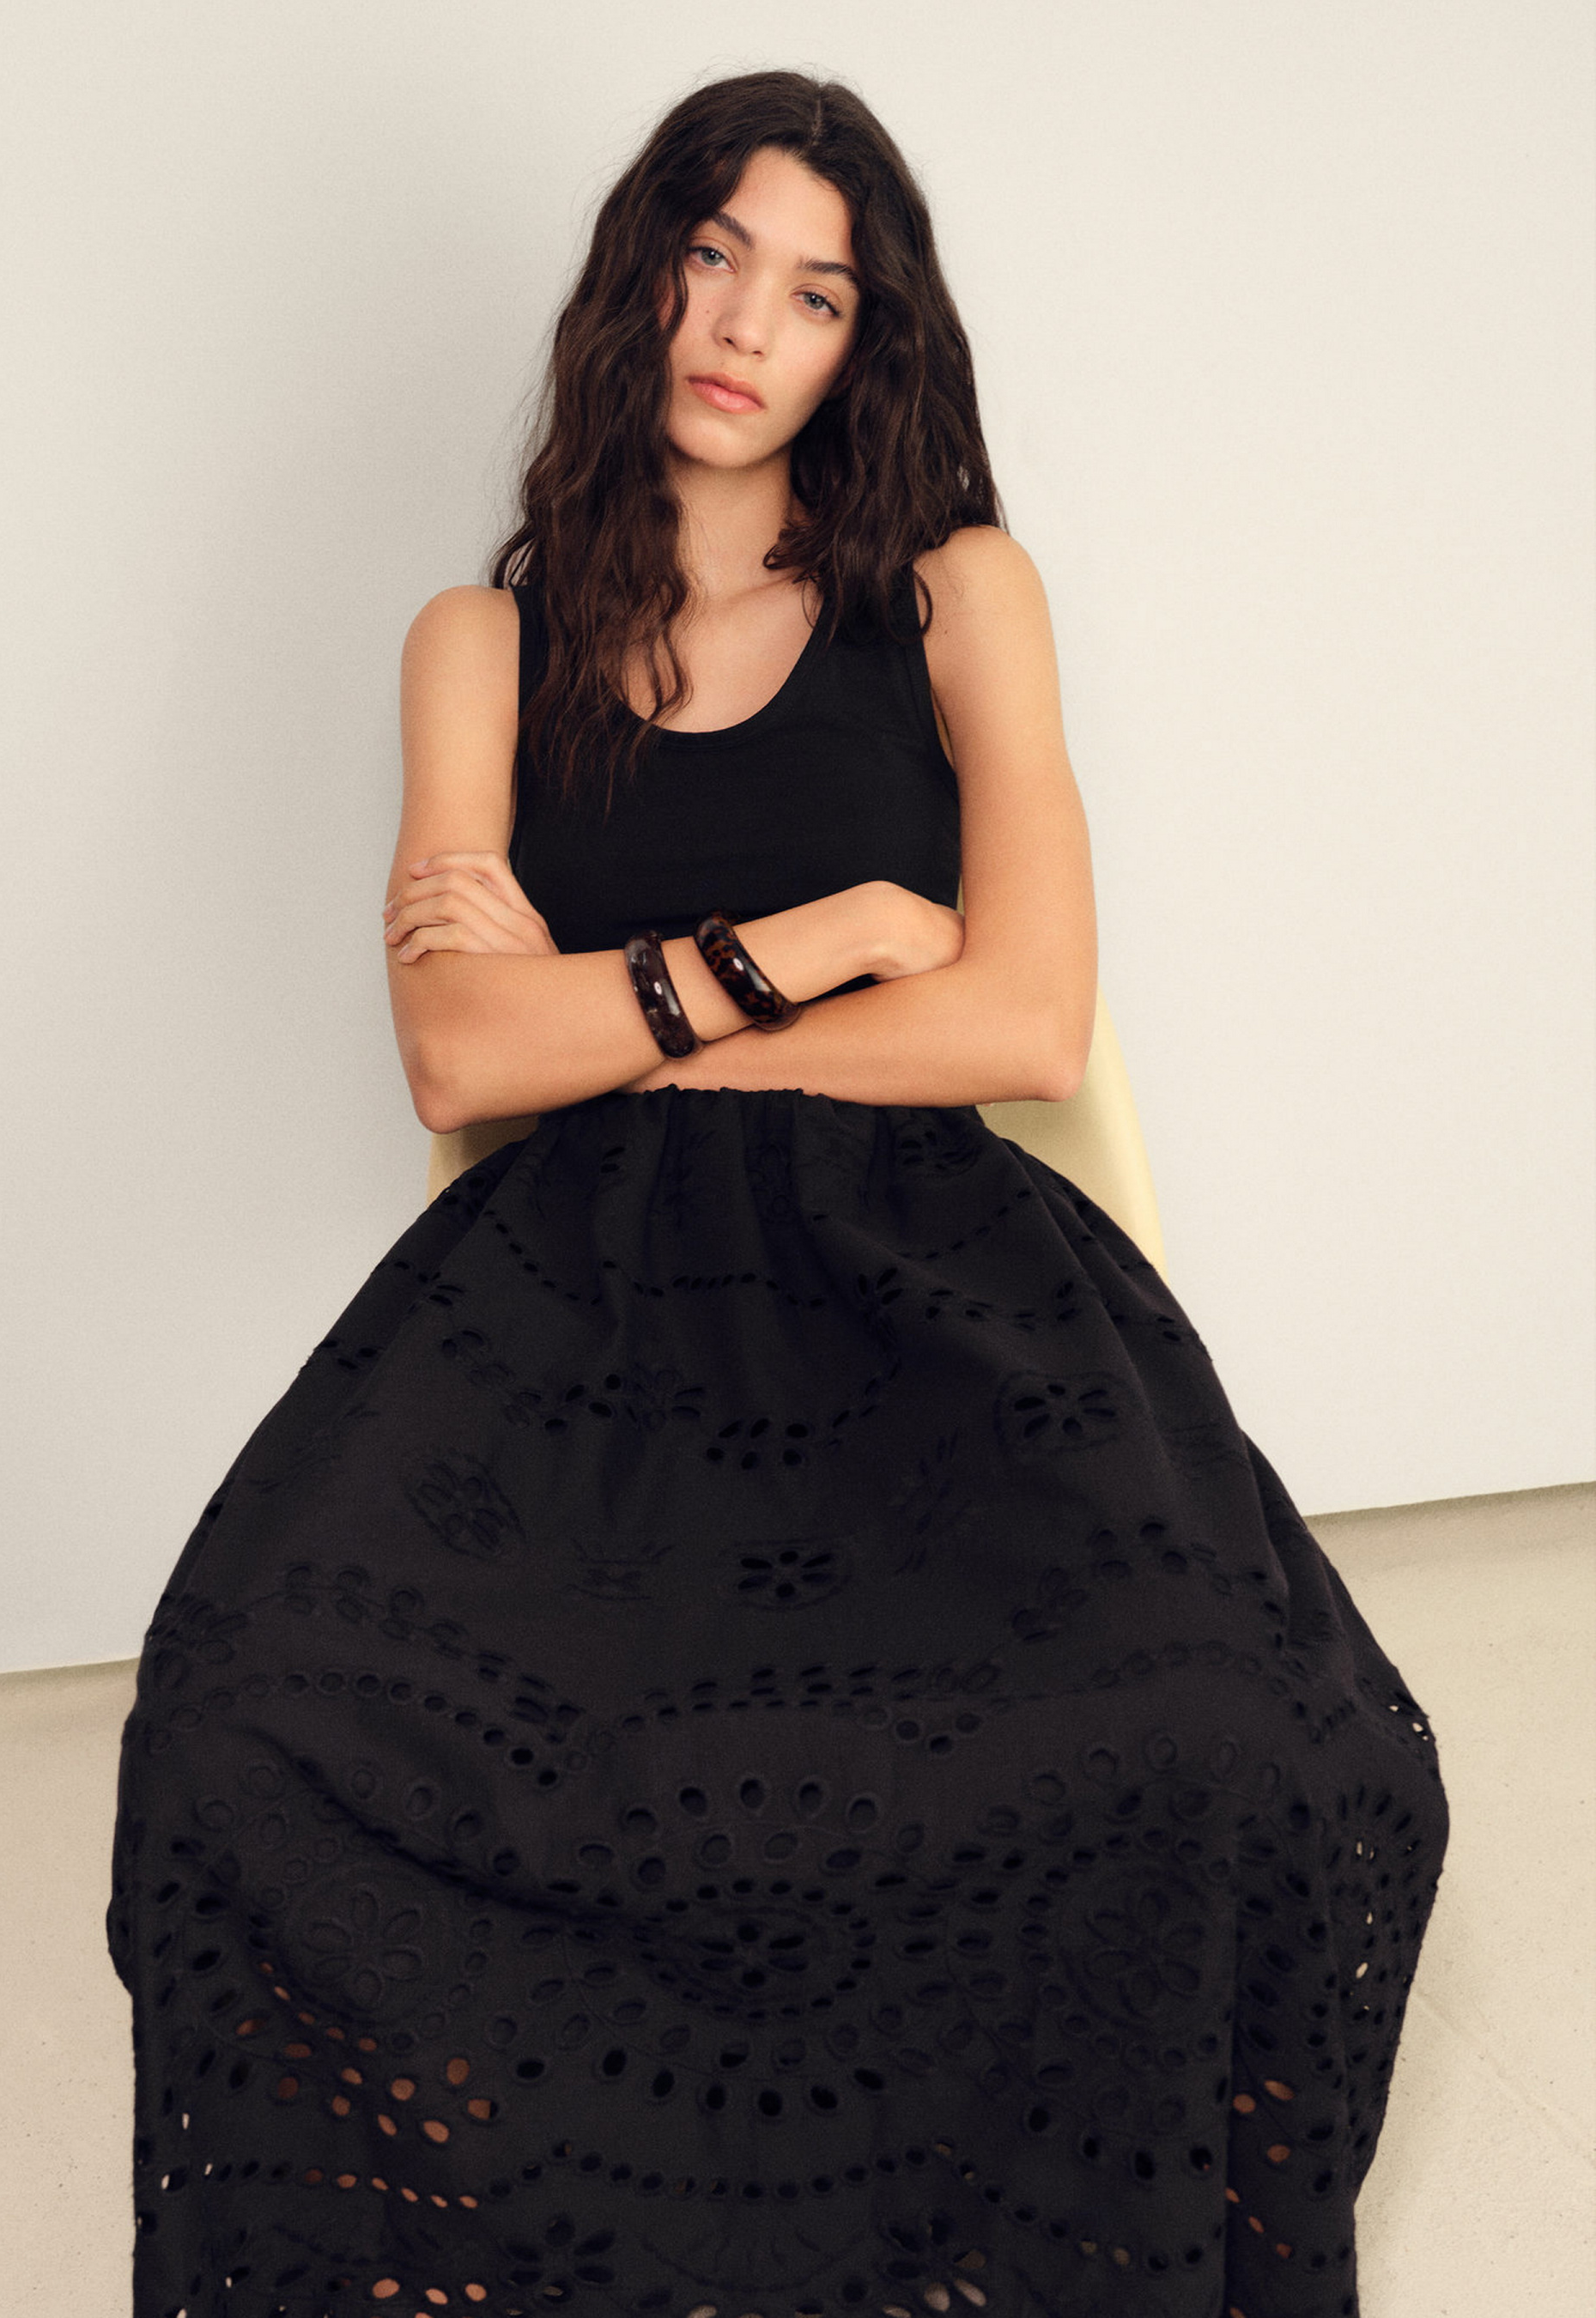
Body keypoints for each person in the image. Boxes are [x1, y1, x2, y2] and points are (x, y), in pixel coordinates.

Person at [107, 69, 1449, 2318]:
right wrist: (824, 935)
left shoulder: (953, 593)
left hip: (931, 1275)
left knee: (1214, 1745)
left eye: (814, 293)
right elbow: (457, 1056)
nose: (744, 323)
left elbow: (1024, 1015)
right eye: (712, 255)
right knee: (243, 1740)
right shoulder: (480, 644)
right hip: (565, 1300)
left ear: (862, 346)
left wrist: (619, 1014)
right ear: (636, 275)